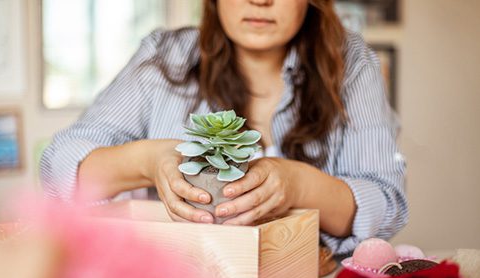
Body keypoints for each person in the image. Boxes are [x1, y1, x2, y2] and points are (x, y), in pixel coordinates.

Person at [40, 0, 408, 255]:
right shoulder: (164, 57)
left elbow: (387, 205)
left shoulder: (352, 64)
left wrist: (297, 184)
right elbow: (57, 169)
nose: (260, 1)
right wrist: (149, 161)